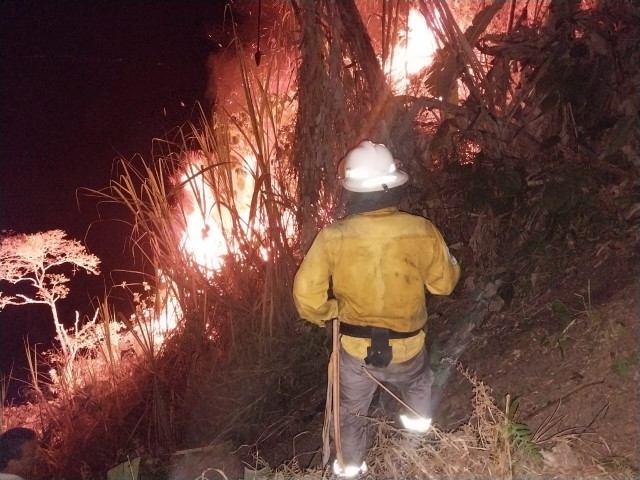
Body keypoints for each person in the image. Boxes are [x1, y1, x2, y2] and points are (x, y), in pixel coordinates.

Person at [293, 140, 461, 478]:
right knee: (418, 390)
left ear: (350, 191)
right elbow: (443, 285)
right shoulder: (421, 230)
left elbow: (306, 298)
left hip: (355, 353)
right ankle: (415, 458)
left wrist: (332, 310)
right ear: (394, 185)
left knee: (350, 415)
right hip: (409, 347)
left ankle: (352, 470)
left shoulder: (332, 236)